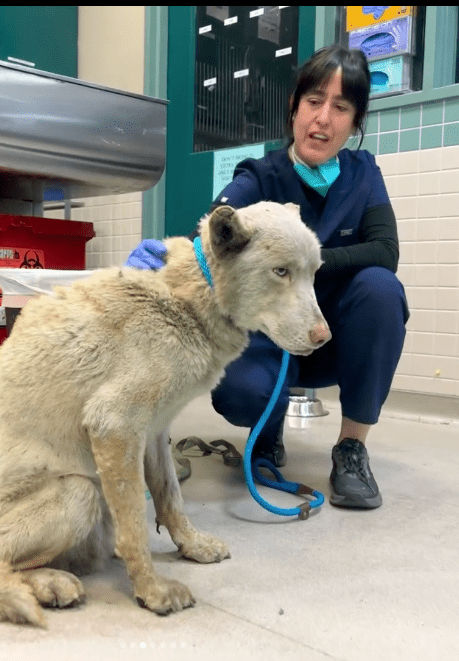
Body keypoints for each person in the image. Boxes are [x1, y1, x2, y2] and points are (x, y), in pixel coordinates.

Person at [126, 45, 410, 509]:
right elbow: (217, 227)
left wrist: (307, 264)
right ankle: (268, 427)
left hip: (333, 335)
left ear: (355, 121)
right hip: (269, 344)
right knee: (242, 391)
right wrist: (168, 256)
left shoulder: (363, 173)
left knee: (380, 287)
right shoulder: (260, 175)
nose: (323, 118)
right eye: (314, 101)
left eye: (340, 107)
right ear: (294, 107)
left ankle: (352, 449)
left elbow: (385, 250)